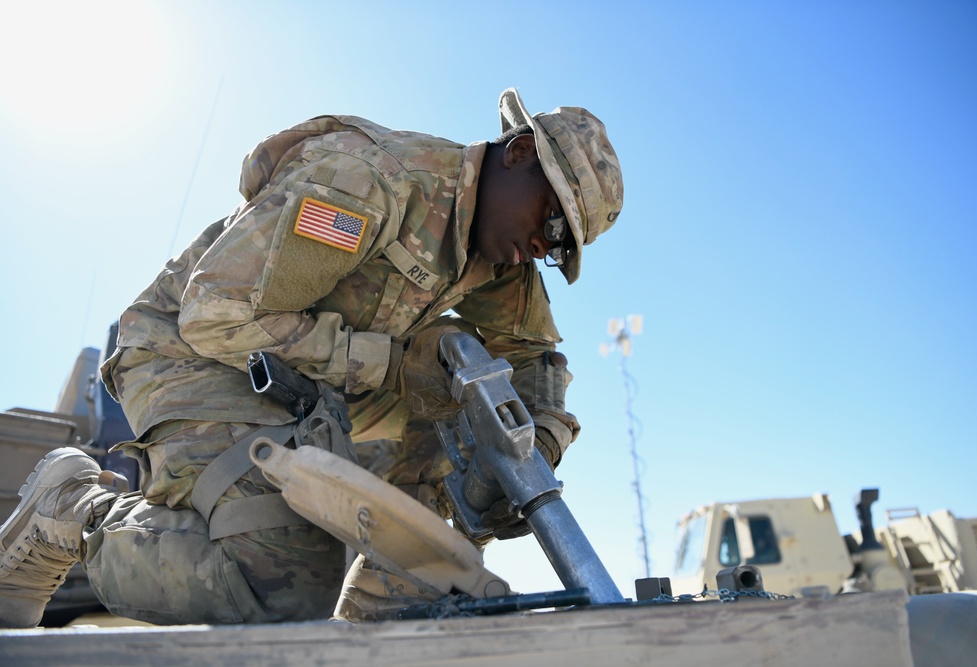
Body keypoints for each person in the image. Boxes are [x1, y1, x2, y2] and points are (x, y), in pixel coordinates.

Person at [0, 88, 623, 627]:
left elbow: (534, 355)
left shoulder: (501, 250)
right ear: (518, 152)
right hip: (192, 354)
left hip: (307, 381)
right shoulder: (370, 181)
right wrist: (387, 365)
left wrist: (535, 445)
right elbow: (217, 312)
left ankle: (397, 594)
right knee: (282, 590)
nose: (543, 245)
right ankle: (76, 508)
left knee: (469, 386)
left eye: (559, 248)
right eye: (553, 221)